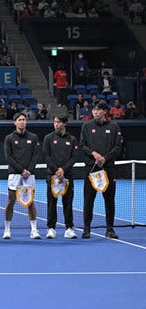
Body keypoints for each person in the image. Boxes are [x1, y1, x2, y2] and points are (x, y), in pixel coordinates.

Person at [80, 100, 123, 239]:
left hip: (108, 168)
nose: (95, 112)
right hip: (91, 168)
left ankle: (110, 229)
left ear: (104, 111)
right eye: (94, 109)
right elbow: (83, 145)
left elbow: (118, 147)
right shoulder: (86, 126)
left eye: (98, 109)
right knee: (88, 199)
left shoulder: (114, 126)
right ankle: (86, 229)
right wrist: (94, 154)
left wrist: (105, 158)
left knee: (109, 199)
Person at [3, 113, 41, 239]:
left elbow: (35, 156)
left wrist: (28, 170)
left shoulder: (33, 137)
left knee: (30, 202)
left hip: (29, 175)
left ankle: (34, 230)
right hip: (14, 175)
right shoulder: (9, 138)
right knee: (11, 201)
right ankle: (7, 230)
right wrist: (21, 170)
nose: (22, 122)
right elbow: (8, 157)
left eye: (24, 119)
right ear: (15, 122)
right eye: (19, 120)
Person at [42, 114, 79, 239]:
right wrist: (56, 170)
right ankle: (51, 228)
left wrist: (64, 170)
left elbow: (74, 157)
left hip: (67, 177)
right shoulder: (48, 138)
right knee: (51, 203)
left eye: (58, 122)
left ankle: (69, 228)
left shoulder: (72, 139)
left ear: (65, 123)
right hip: (52, 176)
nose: (56, 124)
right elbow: (46, 156)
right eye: (55, 122)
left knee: (68, 203)